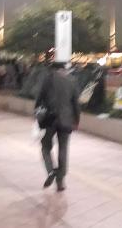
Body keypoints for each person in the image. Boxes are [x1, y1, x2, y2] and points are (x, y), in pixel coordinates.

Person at [35, 61, 81, 192]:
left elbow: (39, 98)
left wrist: (37, 114)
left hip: (50, 119)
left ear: (53, 69)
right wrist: (76, 120)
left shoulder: (48, 79)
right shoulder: (72, 80)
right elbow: (76, 103)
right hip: (66, 120)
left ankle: (50, 171)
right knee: (63, 149)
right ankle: (60, 181)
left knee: (45, 146)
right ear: (64, 69)